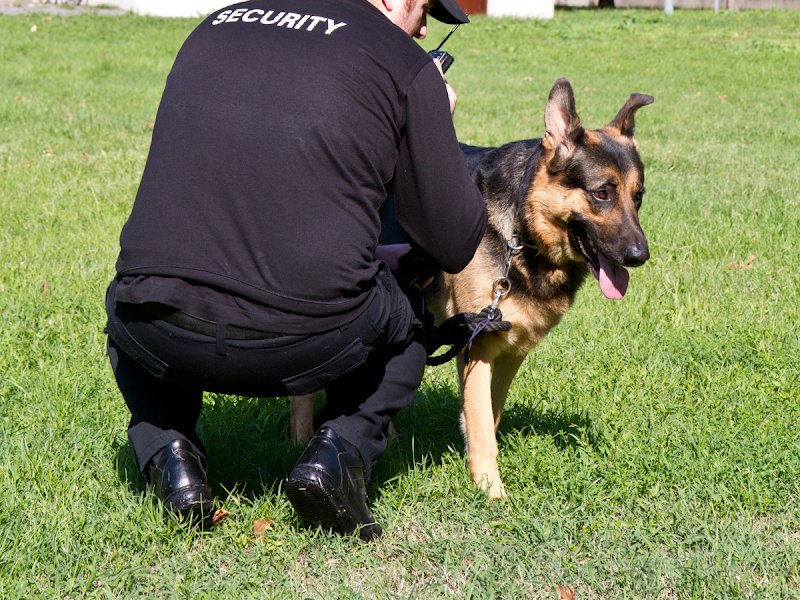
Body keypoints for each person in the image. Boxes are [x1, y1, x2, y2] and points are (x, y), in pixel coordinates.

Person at [105, 0, 486, 541]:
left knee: (132, 294)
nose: (424, 27)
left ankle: (171, 455)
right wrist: (432, 130)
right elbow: (454, 242)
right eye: (424, 8)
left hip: (155, 328)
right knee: (410, 308)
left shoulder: (217, 22)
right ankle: (337, 455)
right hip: (304, 343)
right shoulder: (405, 64)